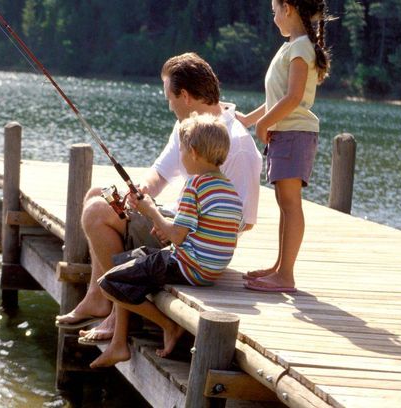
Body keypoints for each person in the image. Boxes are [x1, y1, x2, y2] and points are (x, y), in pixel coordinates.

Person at [55, 52, 262, 344]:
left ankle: (115, 311)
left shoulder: (237, 144)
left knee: (96, 212)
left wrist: (171, 225)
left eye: (169, 98)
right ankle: (96, 297)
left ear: (186, 96)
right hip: (177, 222)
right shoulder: (190, 129)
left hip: (189, 244)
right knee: (97, 194)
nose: (168, 105)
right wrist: (139, 194)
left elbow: (242, 221)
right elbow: (160, 173)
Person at [89, 113, 243, 367]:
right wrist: (166, 227)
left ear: (192, 152)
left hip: (188, 267)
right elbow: (205, 231)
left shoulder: (195, 185)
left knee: (109, 281)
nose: (180, 156)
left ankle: (168, 325)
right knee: (130, 259)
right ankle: (127, 328)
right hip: (211, 270)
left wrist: (150, 211)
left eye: (181, 150)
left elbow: (176, 236)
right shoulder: (228, 188)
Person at [237, 0, 331, 292]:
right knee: (284, 203)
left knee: (291, 205)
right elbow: (276, 97)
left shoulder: (301, 47)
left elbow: (292, 98)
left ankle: (286, 275)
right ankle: (279, 267)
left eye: (274, 10)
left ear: (288, 9)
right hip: (286, 134)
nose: (273, 16)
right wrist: (249, 120)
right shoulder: (292, 46)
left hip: (294, 134)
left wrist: (264, 124)